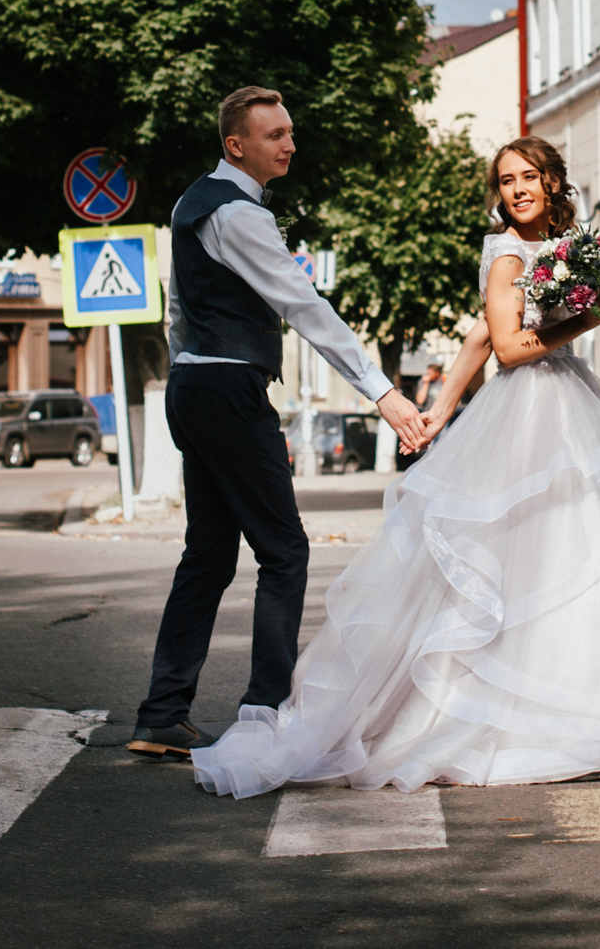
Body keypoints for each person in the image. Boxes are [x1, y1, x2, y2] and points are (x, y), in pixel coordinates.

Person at [191, 134, 600, 797]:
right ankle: (527, 721)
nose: (518, 189)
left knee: (589, 550)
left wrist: (438, 409)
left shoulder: (567, 246)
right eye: (505, 180)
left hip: (569, 408)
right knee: (518, 558)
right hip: (527, 410)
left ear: (553, 182)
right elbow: (506, 344)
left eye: (529, 176)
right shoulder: (504, 254)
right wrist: (583, 322)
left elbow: (471, 337)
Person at [126, 87, 430, 760]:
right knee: (284, 552)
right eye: (274, 135)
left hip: (196, 385)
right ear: (237, 144)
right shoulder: (239, 214)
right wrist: (381, 391)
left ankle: (161, 712)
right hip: (230, 388)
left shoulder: (192, 202)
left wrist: (190, 378)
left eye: (290, 131)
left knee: (208, 554)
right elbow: (303, 303)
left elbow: (179, 311)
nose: (289, 143)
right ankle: (265, 713)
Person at [393, 362, 445, 472]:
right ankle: (428, 468)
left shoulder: (444, 382)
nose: (427, 375)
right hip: (428, 418)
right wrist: (425, 383)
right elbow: (420, 400)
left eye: (430, 373)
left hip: (443, 418)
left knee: (442, 444)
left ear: (437, 373)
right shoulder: (423, 382)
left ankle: (441, 468)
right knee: (427, 446)